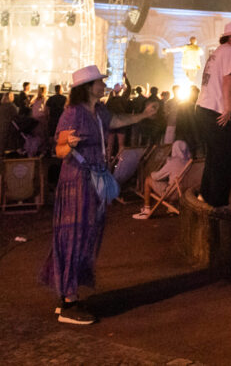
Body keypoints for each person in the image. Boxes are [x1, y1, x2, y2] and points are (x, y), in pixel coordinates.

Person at [40, 65, 156, 325]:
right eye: (99, 83)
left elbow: (116, 121)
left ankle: (68, 296)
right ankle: (69, 301)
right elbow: (59, 149)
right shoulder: (73, 113)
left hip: (92, 180)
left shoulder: (99, 111)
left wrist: (143, 115)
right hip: (77, 180)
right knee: (74, 236)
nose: (104, 86)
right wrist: (68, 144)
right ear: (87, 88)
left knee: (86, 236)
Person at [196, 21, 231, 207]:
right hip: (213, 110)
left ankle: (206, 194)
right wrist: (227, 108)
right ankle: (219, 202)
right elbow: (227, 80)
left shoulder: (219, 51)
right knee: (228, 154)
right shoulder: (229, 51)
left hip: (204, 108)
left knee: (215, 153)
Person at [133, 140, 192, 219]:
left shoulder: (173, 162)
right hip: (186, 193)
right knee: (170, 181)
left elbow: (156, 177)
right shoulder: (189, 162)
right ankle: (172, 207)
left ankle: (146, 210)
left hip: (173, 194)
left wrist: (152, 173)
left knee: (148, 180)